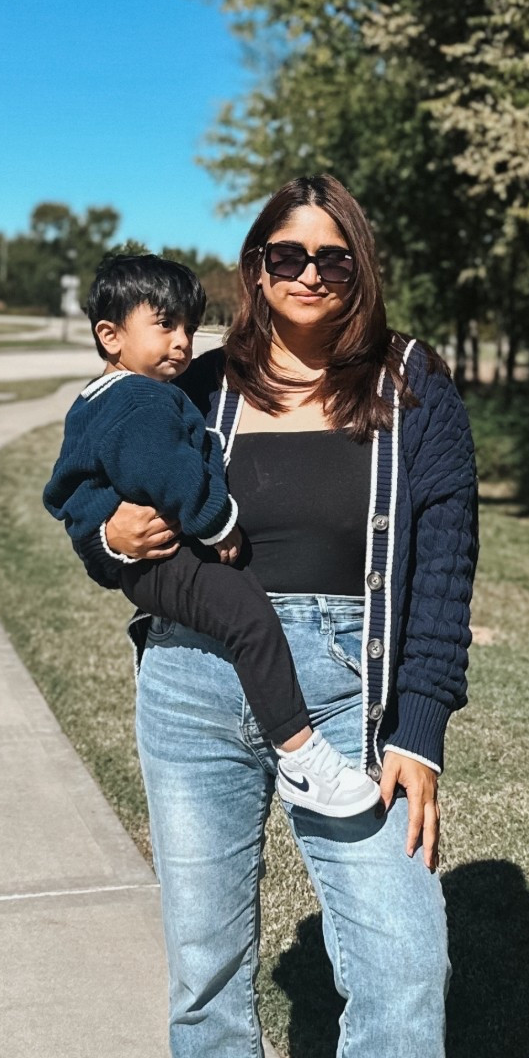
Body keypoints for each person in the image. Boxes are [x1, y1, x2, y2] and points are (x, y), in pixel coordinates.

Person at [73, 175, 478, 1058]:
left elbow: (443, 563)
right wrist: (102, 532)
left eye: (332, 260)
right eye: (282, 255)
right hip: (193, 682)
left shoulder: (414, 390)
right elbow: (89, 486)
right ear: (251, 268)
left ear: (363, 273)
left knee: (404, 967)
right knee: (206, 967)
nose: (307, 277)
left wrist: (418, 729)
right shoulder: (190, 386)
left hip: (348, 699)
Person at [43, 252, 382, 818]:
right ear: (110, 335)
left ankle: (291, 747)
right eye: (165, 325)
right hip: (166, 560)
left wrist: (102, 527)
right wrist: (217, 521)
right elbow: (167, 472)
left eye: (190, 329)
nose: (182, 342)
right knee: (249, 616)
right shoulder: (141, 400)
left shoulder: (98, 400)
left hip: (148, 564)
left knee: (241, 612)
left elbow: (71, 490)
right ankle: (300, 755)